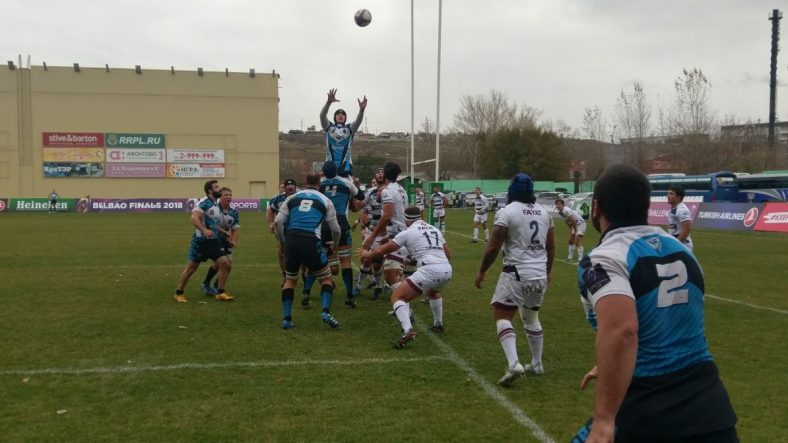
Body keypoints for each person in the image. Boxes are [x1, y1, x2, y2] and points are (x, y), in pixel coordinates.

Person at [576, 164, 737, 442]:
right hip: (709, 405)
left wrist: (604, 420)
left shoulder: (603, 258)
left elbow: (623, 331)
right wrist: (611, 364)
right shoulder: (681, 251)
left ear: (596, 206)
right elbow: (667, 324)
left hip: (648, 408)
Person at [474, 173, 555, 387]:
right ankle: (536, 364)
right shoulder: (545, 213)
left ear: (512, 190)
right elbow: (551, 246)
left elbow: (493, 246)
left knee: (502, 316)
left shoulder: (507, 212)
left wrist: (482, 271)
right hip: (539, 275)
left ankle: (513, 364)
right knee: (531, 318)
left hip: (517, 272)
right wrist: (548, 271)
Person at [359, 206, 452, 349]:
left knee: (397, 297)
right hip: (446, 269)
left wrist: (367, 255)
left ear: (406, 219)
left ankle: (407, 330)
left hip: (429, 269)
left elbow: (384, 249)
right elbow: (448, 255)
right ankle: (438, 325)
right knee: (433, 292)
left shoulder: (408, 232)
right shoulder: (435, 229)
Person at [274, 172, 342, 330]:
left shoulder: (292, 198)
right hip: (311, 239)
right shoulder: (325, 200)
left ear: (305, 182)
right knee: (326, 279)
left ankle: (287, 318)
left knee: (290, 280)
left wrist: (283, 242)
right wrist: (335, 245)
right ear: (320, 183)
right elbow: (336, 230)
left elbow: (278, 221)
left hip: (291, 238)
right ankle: (325, 311)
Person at [305, 161, 364, 308]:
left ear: (323, 172)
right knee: (345, 262)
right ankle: (349, 296)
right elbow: (361, 196)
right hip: (341, 222)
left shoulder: (321, 184)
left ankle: (305, 293)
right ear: (337, 170)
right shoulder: (346, 182)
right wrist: (354, 185)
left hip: (324, 224)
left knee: (318, 260)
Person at [174, 180, 233, 303]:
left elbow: (213, 223)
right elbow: (194, 218)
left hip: (214, 241)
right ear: (210, 190)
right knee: (191, 269)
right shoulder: (203, 203)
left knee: (225, 263)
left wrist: (223, 232)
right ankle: (179, 293)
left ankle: (220, 293)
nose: (219, 188)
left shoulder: (216, 203)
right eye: (216, 187)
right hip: (201, 242)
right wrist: (204, 230)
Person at [363, 162, 408, 289]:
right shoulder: (401, 188)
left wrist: (372, 236)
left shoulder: (387, 191)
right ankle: (403, 301)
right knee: (393, 272)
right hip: (401, 232)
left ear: (386, 174)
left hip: (397, 235)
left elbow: (387, 216)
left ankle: (404, 303)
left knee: (390, 276)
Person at [353, 168, 387, 300]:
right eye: (377, 172)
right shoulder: (370, 192)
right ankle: (359, 286)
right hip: (371, 231)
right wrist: (366, 227)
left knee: (378, 263)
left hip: (386, 232)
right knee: (366, 259)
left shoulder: (392, 191)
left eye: (382, 172)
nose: (380, 174)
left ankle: (379, 287)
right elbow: (362, 210)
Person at [320, 88, 367, 177]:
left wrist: (361, 111)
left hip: (346, 168)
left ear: (345, 118)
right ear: (335, 117)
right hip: (329, 168)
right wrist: (328, 103)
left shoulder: (350, 129)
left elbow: (358, 121)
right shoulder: (328, 127)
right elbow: (322, 116)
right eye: (338, 114)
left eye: (343, 114)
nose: (340, 115)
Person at [202, 187, 240, 294]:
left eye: (230, 195)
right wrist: (224, 232)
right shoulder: (214, 209)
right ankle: (207, 284)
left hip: (225, 240)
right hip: (212, 239)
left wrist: (233, 240)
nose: (229, 197)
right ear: (220, 196)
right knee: (224, 263)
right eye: (226, 195)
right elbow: (210, 224)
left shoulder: (234, 212)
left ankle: (216, 285)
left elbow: (235, 228)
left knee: (228, 265)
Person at [267, 178, 297, 280]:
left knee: (301, 253)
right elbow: (270, 211)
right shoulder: (278, 199)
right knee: (282, 252)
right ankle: (285, 275)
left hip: (298, 229)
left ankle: (304, 275)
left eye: (292, 184)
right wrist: (271, 223)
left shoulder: (300, 196)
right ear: (284, 188)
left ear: (295, 186)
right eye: (287, 185)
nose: (290, 186)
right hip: (283, 230)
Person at [555, 198, 586, 263]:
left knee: (577, 241)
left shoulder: (566, 210)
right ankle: (570, 258)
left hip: (580, 224)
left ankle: (580, 260)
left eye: (559, 204)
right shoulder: (560, 212)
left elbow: (573, 220)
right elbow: (567, 220)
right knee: (570, 241)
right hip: (574, 225)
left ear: (563, 204)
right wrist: (570, 228)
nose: (557, 205)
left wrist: (575, 230)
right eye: (556, 204)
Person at [667, 185, 693, 251]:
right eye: (668, 193)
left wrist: (676, 244)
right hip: (677, 243)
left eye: (671, 194)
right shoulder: (674, 208)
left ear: (679, 197)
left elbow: (686, 230)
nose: (668, 195)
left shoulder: (682, 209)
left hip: (683, 246)